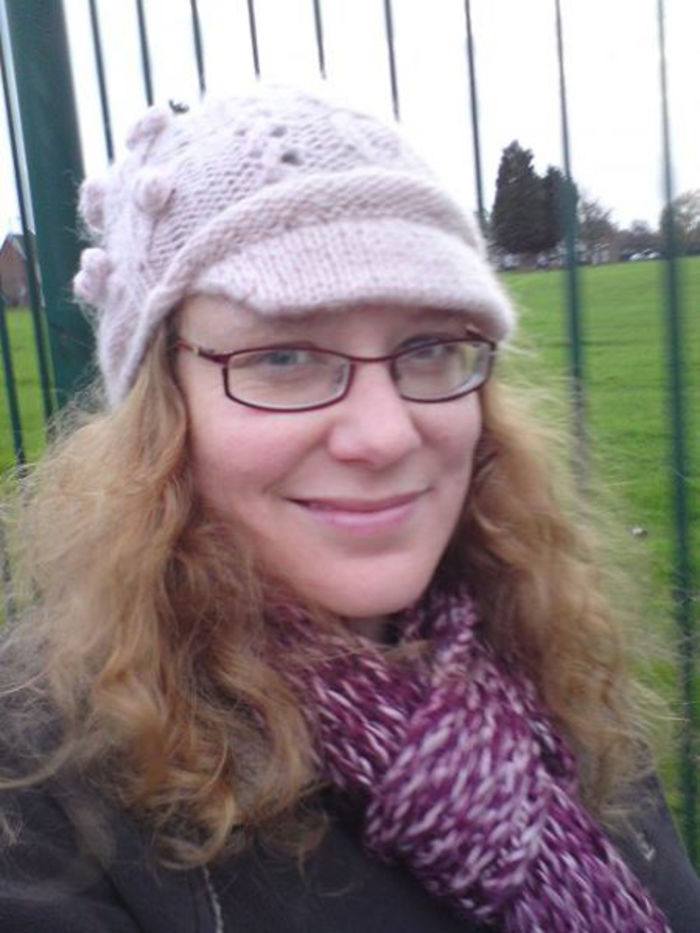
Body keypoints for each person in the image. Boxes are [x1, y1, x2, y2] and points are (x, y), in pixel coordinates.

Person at [0, 86, 698, 933]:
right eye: (284, 354)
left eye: (432, 347)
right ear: (162, 411)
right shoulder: (37, 786)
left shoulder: (545, 659)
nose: (385, 433)